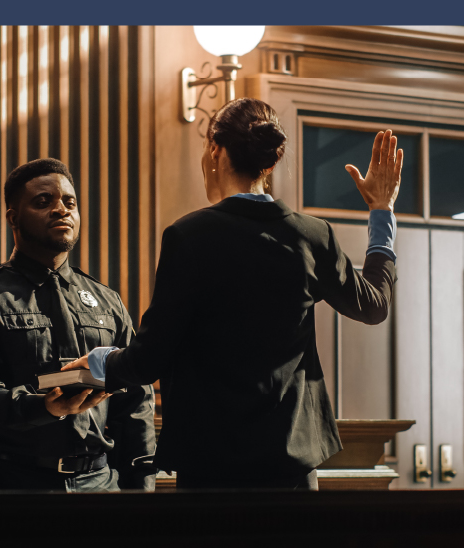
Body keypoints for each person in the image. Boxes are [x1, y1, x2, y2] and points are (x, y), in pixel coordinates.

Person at [64, 97, 400, 490]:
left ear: (214, 150)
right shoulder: (312, 235)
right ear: (270, 163)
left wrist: (97, 363)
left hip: (212, 468)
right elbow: (375, 306)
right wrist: (381, 210)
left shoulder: (188, 236)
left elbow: (150, 359)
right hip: (290, 467)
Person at [0, 158, 156, 492]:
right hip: (15, 483)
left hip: (100, 483)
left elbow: (135, 402)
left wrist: (142, 484)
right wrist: (42, 405)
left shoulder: (107, 300)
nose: (61, 210)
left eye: (69, 202)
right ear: (13, 218)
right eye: (43, 202)